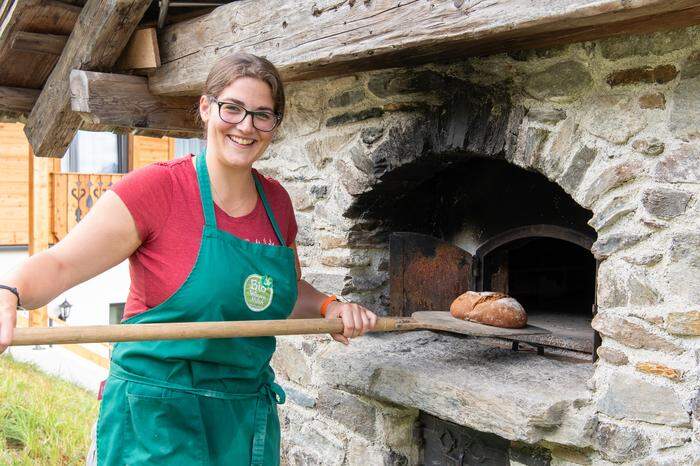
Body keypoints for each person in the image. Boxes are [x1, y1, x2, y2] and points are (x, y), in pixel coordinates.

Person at [0, 52, 378, 465]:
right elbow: (61, 264)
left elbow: (276, 296)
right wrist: (9, 292)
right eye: (232, 108)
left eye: (262, 115)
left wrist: (328, 306)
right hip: (157, 419)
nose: (245, 125)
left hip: (241, 417)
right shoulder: (156, 189)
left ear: (274, 125)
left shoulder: (277, 203)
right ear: (205, 107)